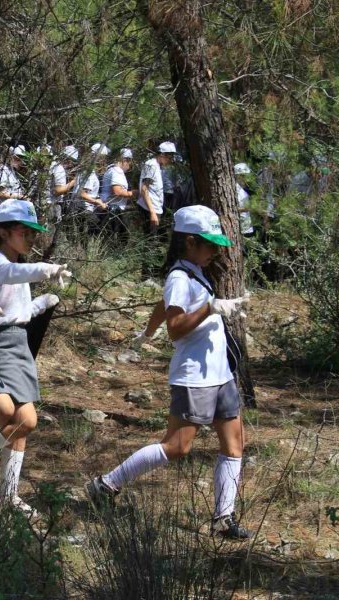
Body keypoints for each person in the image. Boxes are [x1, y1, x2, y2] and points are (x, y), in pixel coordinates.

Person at [87, 205, 252, 540]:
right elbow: (176, 328)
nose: (214, 251)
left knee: (235, 442)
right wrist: (210, 308)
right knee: (177, 446)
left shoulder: (194, 272)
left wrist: (147, 332)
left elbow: (163, 308)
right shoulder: (179, 277)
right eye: (208, 244)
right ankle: (106, 484)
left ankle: (223, 519)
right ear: (189, 241)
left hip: (219, 375)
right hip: (194, 377)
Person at [0, 199, 70, 515]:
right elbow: (10, 276)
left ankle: (7, 494)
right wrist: (46, 270)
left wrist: (41, 303)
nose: (31, 237)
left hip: (19, 345)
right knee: (20, 419)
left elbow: (17, 312)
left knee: (23, 423)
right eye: (24, 231)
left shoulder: (15, 267)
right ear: (3, 232)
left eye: (33, 231)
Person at [137, 141, 176, 277]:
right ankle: (146, 275)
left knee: (154, 241)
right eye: (169, 156)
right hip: (149, 209)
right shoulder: (150, 165)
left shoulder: (158, 167)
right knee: (150, 241)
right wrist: (152, 212)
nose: (170, 159)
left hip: (155, 208)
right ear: (162, 154)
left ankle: (150, 272)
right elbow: (144, 189)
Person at [100, 148, 138, 242]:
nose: (129, 166)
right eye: (129, 162)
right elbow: (117, 191)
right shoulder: (117, 171)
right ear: (125, 160)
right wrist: (135, 193)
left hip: (110, 207)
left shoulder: (111, 169)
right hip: (114, 209)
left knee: (116, 237)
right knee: (121, 238)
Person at [74, 143, 109, 232]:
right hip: (82, 210)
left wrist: (98, 201)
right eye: (104, 157)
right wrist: (97, 202)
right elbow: (82, 193)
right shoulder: (89, 173)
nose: (104, 161)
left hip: (81, 209)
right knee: (99, 230)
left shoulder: (87, 170)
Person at [48, 145, 78, 223]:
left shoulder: (51, 165)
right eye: (72, 161)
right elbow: (57, 191)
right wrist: (73, 182)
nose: (71, 165)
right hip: (51, 205)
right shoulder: (59, 168)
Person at [233, 163, 254, 237]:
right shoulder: (234, 188)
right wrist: (246, 209)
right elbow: (232, 208)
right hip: (239, 223)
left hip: (245, 223)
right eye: (243, 175)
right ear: (237, 175)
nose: (246, 178)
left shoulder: (243, 188)